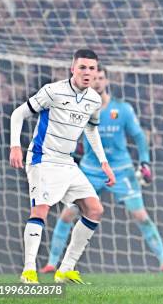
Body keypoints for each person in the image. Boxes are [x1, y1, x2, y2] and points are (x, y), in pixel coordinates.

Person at [40, 65, 163, 274]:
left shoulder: (122, 109)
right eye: (94, 78)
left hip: (121, 171)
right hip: (90, 171)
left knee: (141, 216)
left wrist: (145, 162)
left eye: (101, 78)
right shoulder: (79, 109)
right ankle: (51, 262)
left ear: (106, 81)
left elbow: (139, 136)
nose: (98, 82)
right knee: (68, 214)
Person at [10, 49, 115, 284]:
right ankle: (28, 271)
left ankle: (65, 269)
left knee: (95, 210)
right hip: (43, 158)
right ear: (73, 69)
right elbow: (18, 114)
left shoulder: (94, 100)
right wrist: (15, 146)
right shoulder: (53, 91)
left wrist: (104, 163)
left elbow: (91, 128)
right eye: (82, 68)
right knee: (41, 211)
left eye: (92, 68)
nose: (87, 73)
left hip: (67, 162)